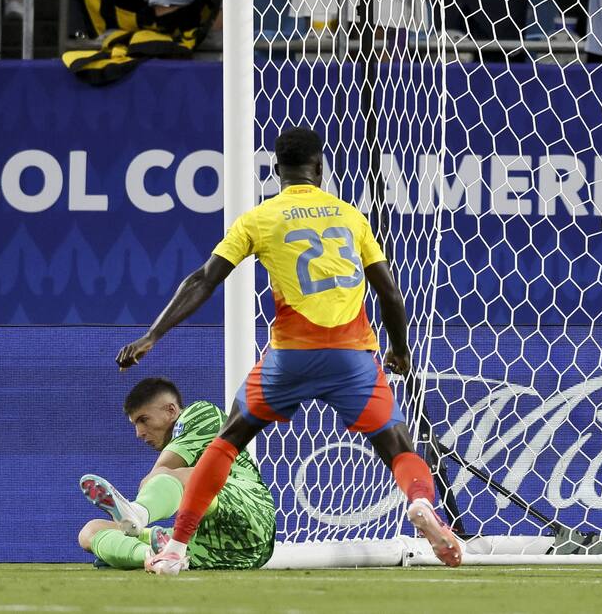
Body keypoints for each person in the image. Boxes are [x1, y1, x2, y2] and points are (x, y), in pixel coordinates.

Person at [117, 126, 460, 575]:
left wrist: (152, 335)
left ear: (277, 170)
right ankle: (419, 502)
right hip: (351, 356)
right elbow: (389, 293)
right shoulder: (351, 217)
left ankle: (176, 548)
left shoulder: (259, 219)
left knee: (227, 442)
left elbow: (204, 279)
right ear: (320, 168)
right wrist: (400, 351)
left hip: (290, 357)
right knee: (397, 444)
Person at [77, 377, 275, 570]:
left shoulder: (200, 413)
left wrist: (137, 512)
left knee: (183, 475)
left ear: (171, 410)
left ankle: (139, 514)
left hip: (251, 515)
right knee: (90, 531)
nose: (139, 432)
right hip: (214, 547)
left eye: (143, 420)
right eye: (135, 424)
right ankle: (152, 557)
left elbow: (155, 479)